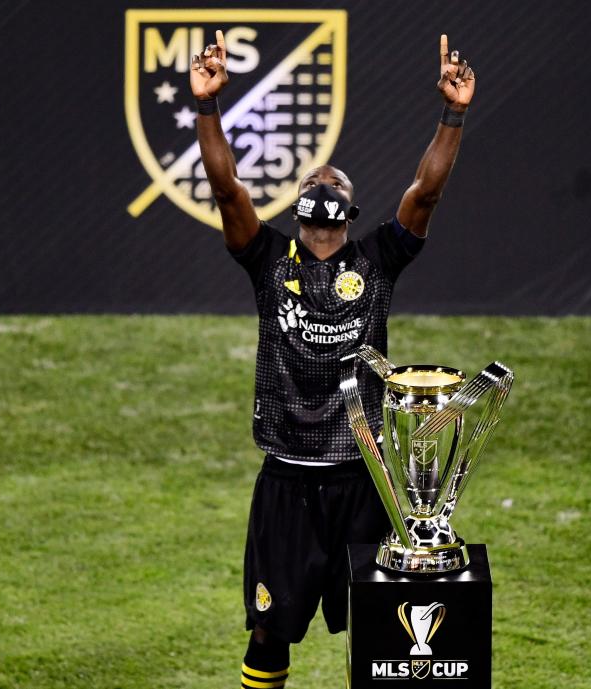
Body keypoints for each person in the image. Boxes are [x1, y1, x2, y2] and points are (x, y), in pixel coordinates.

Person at [190, 31, 475, 689]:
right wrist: (207, 106)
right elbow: (226, 186)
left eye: (333, 178)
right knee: (268, 628)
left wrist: (453, 113)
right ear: (301, 205)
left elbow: (426, 193)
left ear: (346, 206)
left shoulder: (377, 260)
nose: (323, 179)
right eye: (313, 177)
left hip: (361, 478)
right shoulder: (269, 261)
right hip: (286, 481)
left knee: (382, 623)